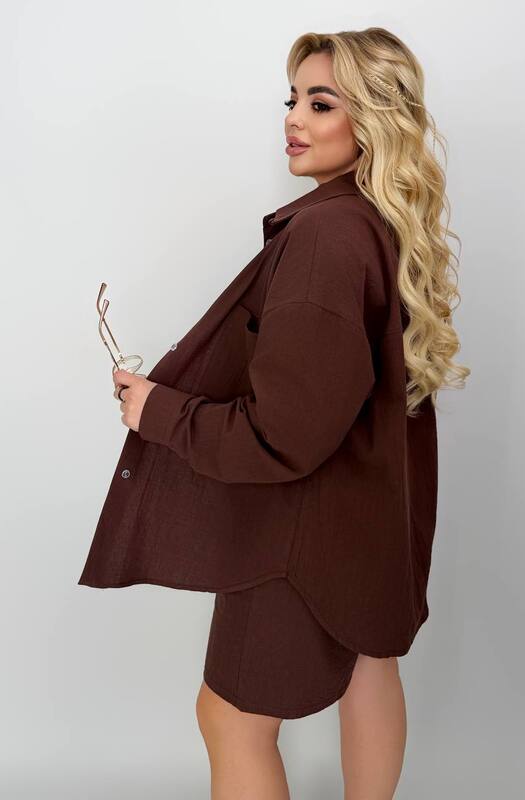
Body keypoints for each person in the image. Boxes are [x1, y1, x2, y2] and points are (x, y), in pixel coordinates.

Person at [82, 26, 469, 800]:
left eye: (320, 103)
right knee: (370, 667)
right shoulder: (381, 225)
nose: (293, 118)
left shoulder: (325, 237)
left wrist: (160, 412)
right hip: (369, 520)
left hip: (297, 536)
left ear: (374, 119)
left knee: (230, 720)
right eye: (292, 99)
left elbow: (282, 437)